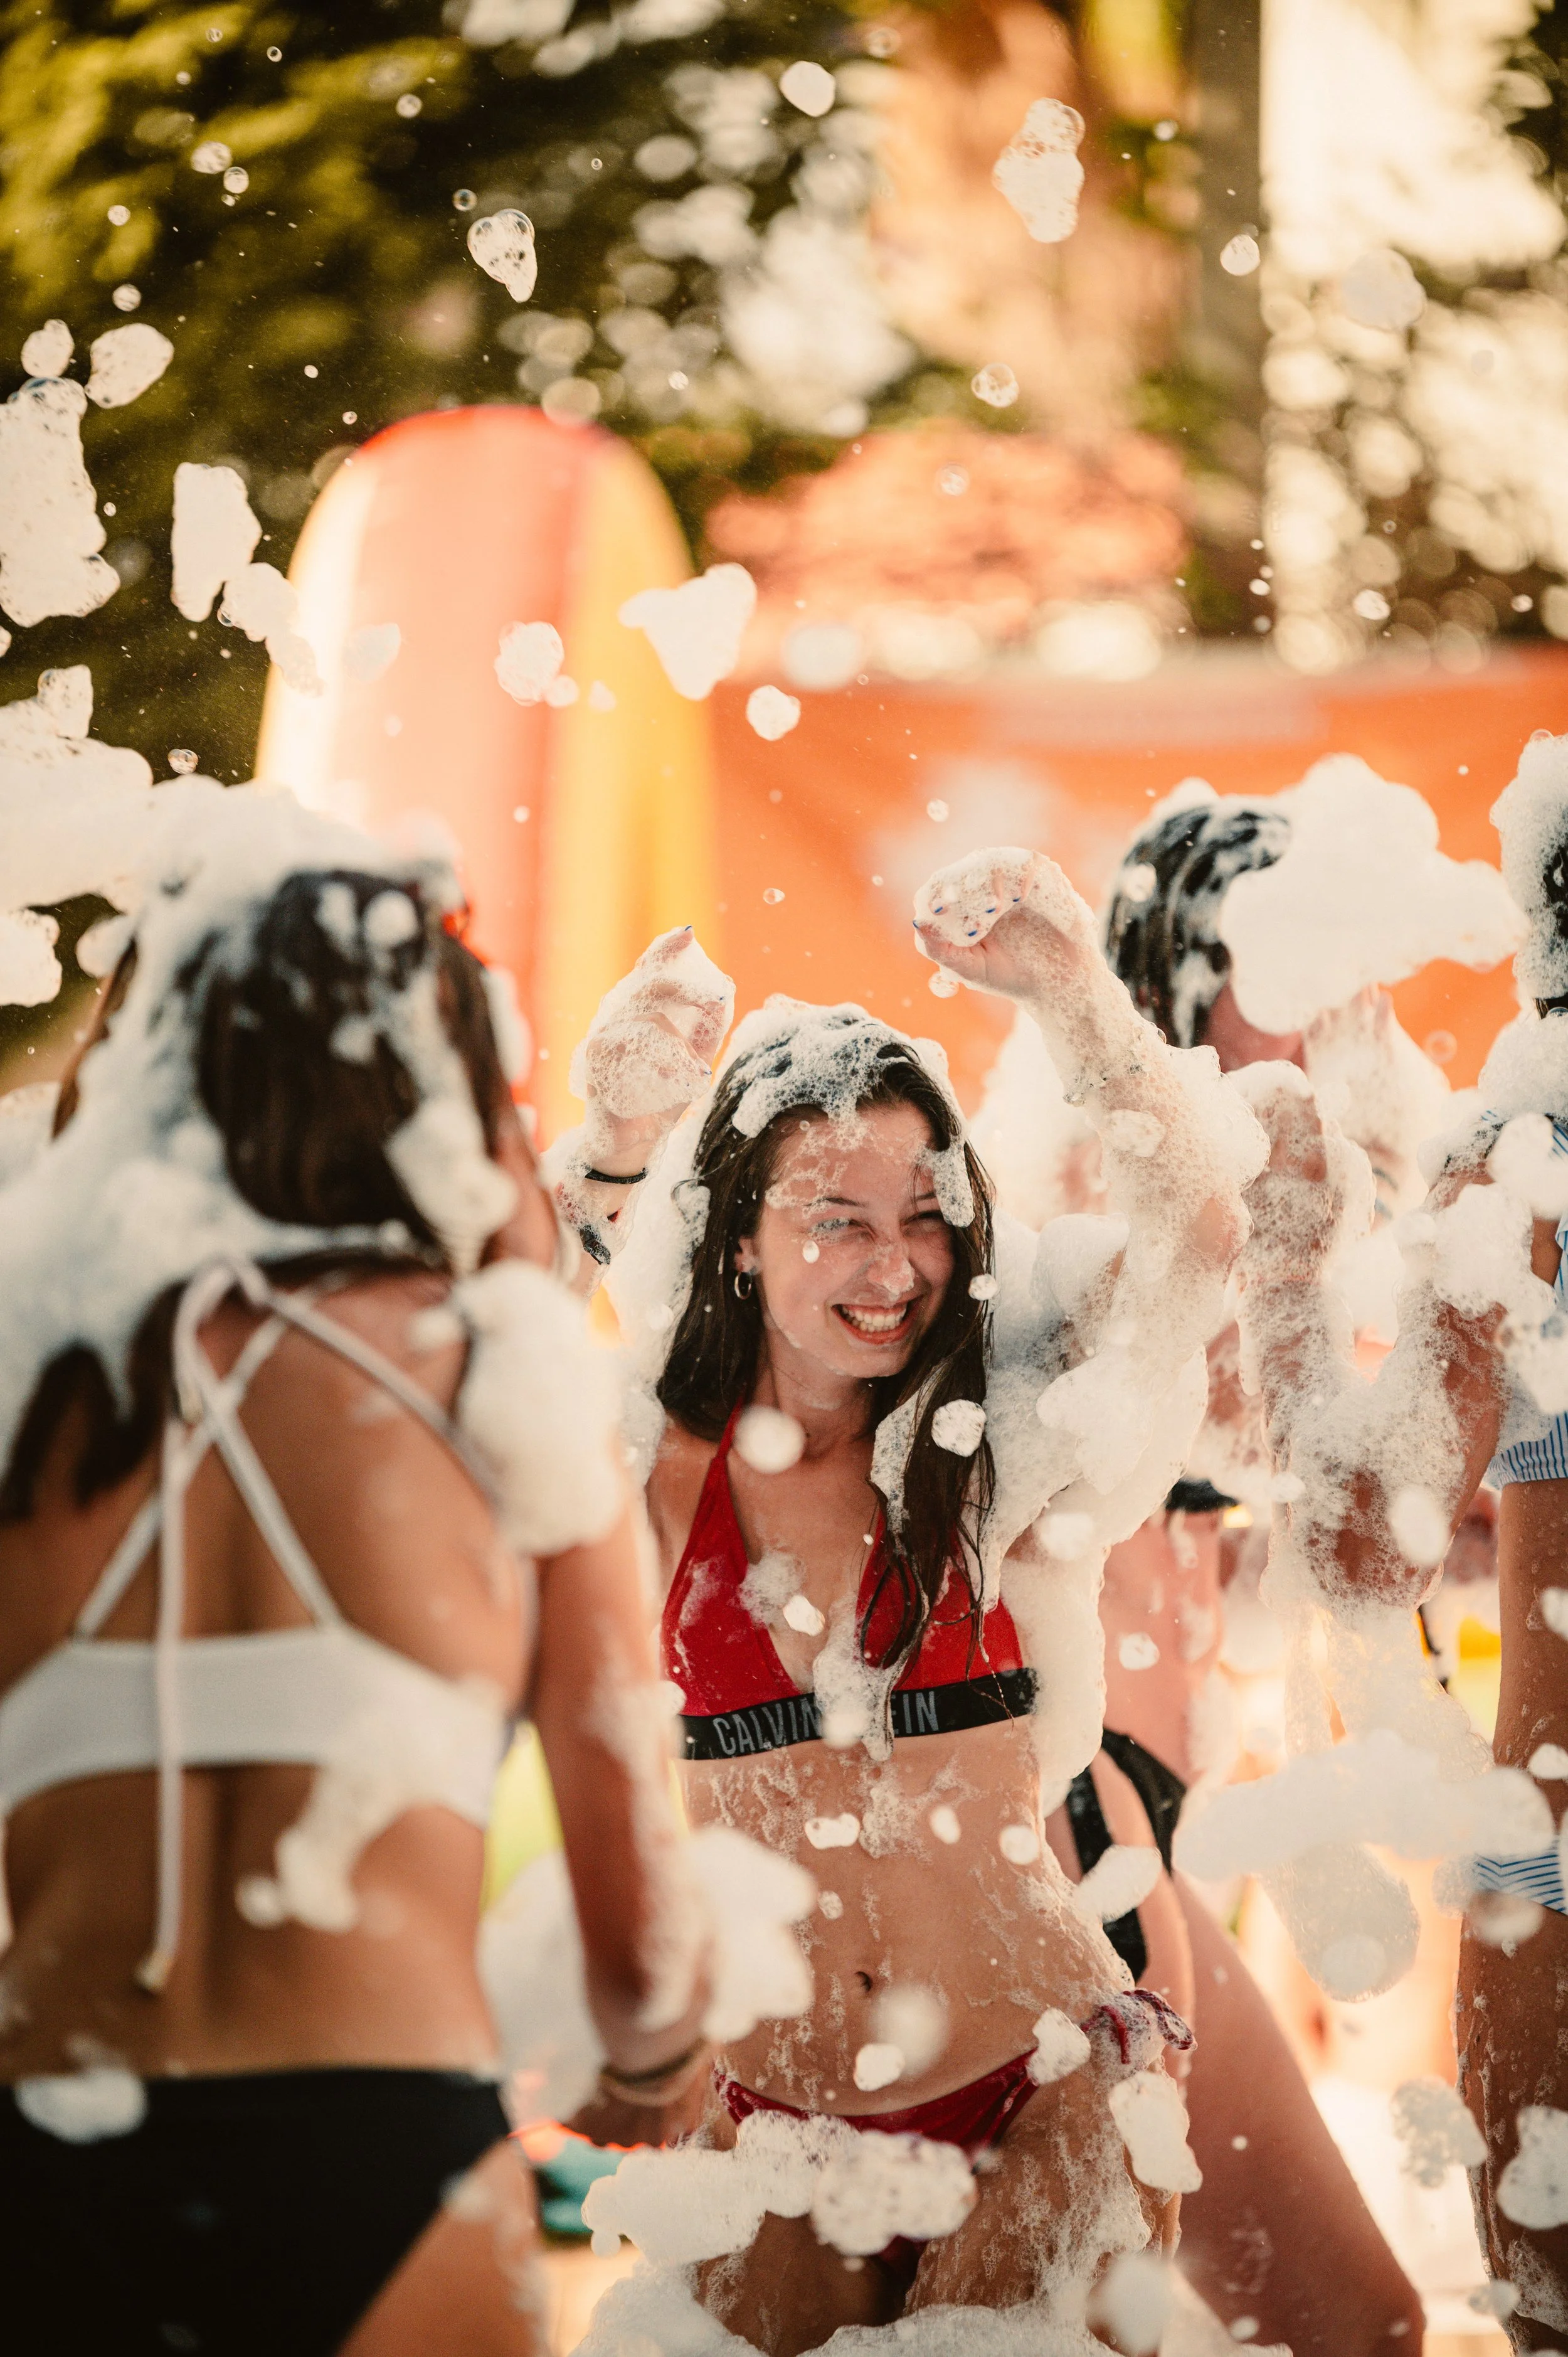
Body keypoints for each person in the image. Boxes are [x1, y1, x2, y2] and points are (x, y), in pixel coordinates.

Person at [0, 792, 710, 2357]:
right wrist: (655, 2069)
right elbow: (643, 1943)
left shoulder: (28, 1381)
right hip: (382, 2158)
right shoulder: (491, 1382)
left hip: (51, 2158)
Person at [560, 848, 1254, 2354]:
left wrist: (1074, 991)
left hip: (1052, 2079)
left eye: (924, 1214)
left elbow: (1200, 1235)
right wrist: (612, 1144)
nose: (893, 1267)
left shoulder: (991, 1445)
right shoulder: (648, 1474)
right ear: (735, 1236)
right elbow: (448, 1400)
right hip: (773, 2125)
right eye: (836, 1218)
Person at [977, 790, 1428, 2353]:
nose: (1329, 1007)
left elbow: (1298, 1532)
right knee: (1346, 2324)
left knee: (1222, 2327)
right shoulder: (1114, 1208)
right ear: (1176, 979)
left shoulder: (1249, 1218)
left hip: (1131, 1817)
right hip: (1074, 1818)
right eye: (1280, 967)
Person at [1236, 733, 1568, 2351]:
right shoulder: (1518, 1161)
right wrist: (1289, 1275)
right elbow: (1368, 1555)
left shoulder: (1519, 1162)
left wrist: (1295, 1288)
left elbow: (1368, 1549)